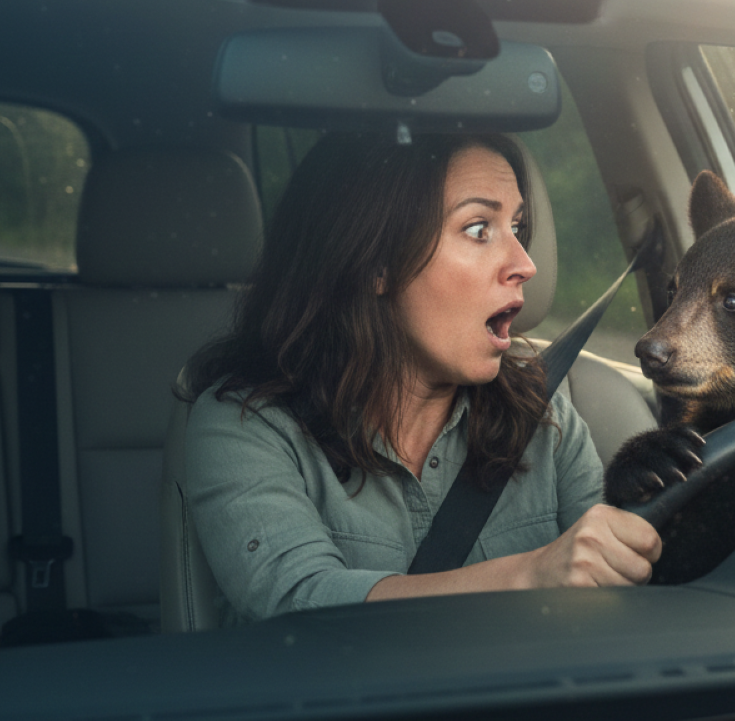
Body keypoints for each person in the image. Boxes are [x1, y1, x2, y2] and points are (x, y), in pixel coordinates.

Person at [180, 131, 661, 626]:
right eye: (479, 229)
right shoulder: (244, 423)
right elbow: (298, 607)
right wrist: (530, 577)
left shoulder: (543, 412)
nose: (525, 264)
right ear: (376, 262)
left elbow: (625, 599)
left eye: (517, 226)